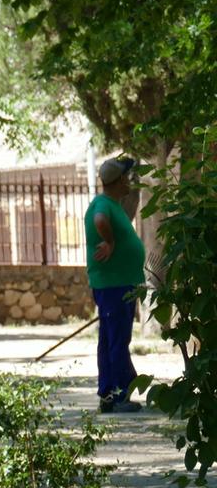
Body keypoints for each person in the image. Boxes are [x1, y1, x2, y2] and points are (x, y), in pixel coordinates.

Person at [85, 156, 146, 413]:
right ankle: (120, 395)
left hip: (118, 284)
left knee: (111, 338)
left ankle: (109, 394)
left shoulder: (112, 204)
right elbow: (100, 220)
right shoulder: (103, 205)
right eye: (127, 176)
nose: (130, 180)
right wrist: (109, 242)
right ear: (119, 180)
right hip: (114, 285)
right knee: (117, 339)